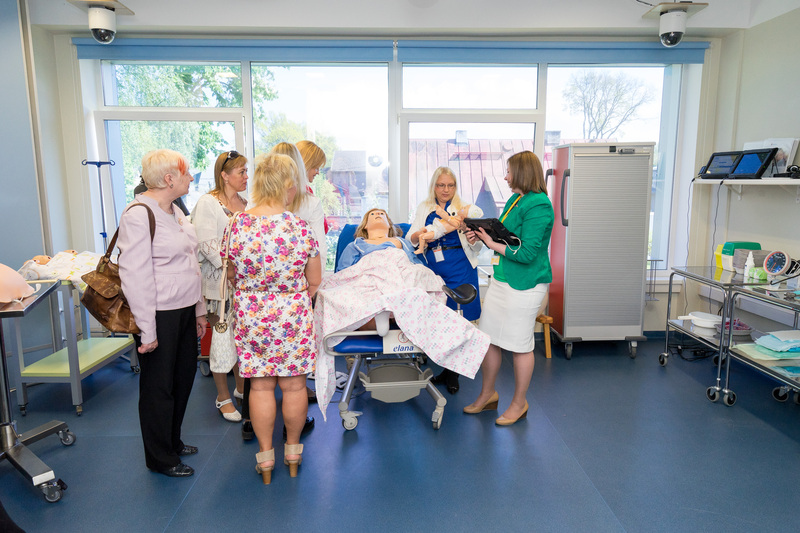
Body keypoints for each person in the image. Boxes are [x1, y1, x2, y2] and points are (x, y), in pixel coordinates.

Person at [223, 153, 321, 484]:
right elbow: (315, 281)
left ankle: (265, 459)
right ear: (287, 186)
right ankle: (292, 452)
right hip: (292, 314)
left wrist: (255, 292)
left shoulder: (237, 224)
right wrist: (291, 296)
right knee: (294, 386)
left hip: (252, 315)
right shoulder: (300, 228)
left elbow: (231, 274)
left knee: (261, 387)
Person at [118, 149, 208, 477]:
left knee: (182, 379)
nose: (191, 178)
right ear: (169, 178)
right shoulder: (138, 214)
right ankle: (160, 457)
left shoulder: (174, 211)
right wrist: (147, 329)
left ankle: (172, 441)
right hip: (157, 314)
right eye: (187, 174)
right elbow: (135, 275)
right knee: (159, 386)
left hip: (183, 308)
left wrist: (199, 311)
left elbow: (190, 264)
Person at [463, 151, 553, 427]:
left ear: (522, 173)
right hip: (502, 279)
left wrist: (491, 244)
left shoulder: (539, 205)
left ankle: (519, 403)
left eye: (509, 172)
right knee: (489, 339)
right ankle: (488, 394)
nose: (505, 177)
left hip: (526, 285)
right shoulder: (516, 199)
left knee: (519, 345)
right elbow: (507, 236)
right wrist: (482, 235)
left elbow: (526, 253)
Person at [408, 167, 483, 393]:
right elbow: (411, 238)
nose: (446, 190)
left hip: (461, 267)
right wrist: (421, 234)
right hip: (433, 271)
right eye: (441, 185)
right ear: (434, 186)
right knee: (439, 320)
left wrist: (474, 239)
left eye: (450, 185)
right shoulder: (424, 208)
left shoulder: (464, 208)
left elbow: (477, 246)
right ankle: (445, 368)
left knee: (458, 321)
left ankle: (452, 374)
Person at [191, 150, 248, 423]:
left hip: (243, 283)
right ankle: (223, 397)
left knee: (240, 338)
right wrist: (231, 268)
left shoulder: (246, 203)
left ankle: (241, 389)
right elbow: (206, 243)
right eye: (241, 172)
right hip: (219, 283)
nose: (246, 177)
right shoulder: (209, 202)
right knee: (222, 339)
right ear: (224, 175)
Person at [336, 208, 423, 272]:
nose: (378, 214)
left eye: (382, 214)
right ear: (365, 225)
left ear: (389, 225)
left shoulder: (402, 242)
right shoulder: (356, 245)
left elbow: (414, 262)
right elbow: (343, 270)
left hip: (399, 276)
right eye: (372, 214)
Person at [296, 140, 330, 233]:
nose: (318, 172)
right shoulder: (305, 193)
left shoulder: (305, 190)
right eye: (316, 168)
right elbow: (322, 229)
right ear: (306, 164)